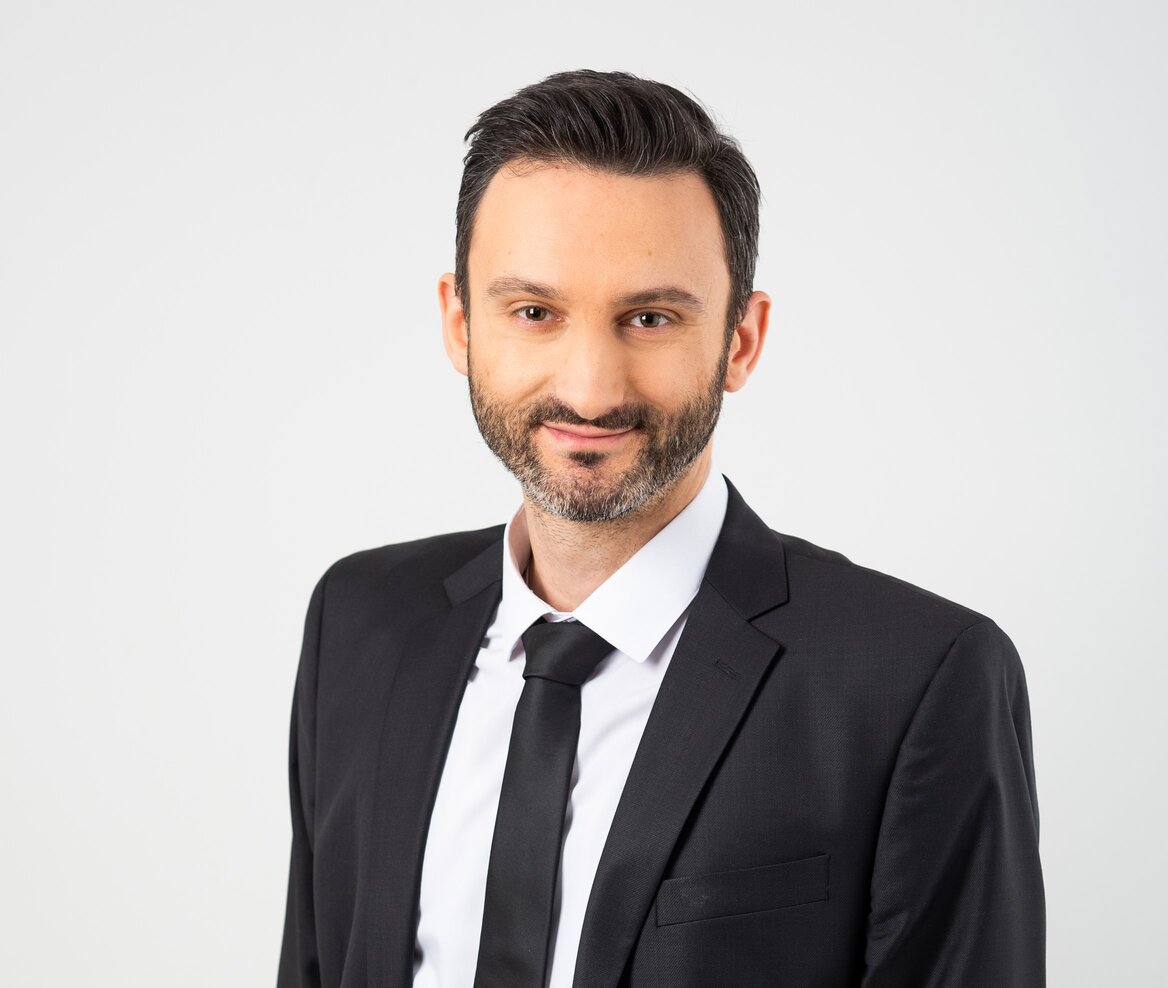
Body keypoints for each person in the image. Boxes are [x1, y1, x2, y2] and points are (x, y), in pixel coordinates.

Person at [277, 70, 1045, 988]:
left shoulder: (916, 681)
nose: (590, 389)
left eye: (650, 318)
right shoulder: (359, 622)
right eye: (534, 312)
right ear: (459, 322)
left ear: (740, 340)